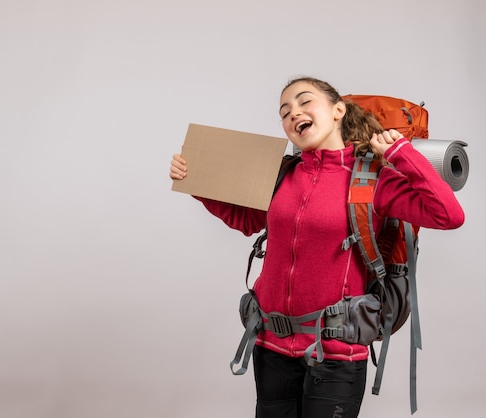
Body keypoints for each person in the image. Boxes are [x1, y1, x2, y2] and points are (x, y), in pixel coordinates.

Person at [169, 76, 465, 418]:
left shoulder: (373, 179)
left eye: (304, 101)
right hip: (271, 345)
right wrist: (196, 182)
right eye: (285, 111)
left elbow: (448, 215)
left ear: (338, 110)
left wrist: (401, 154)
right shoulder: (282, 174)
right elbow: (246, 220)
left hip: (335, 351)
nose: (294, 113)